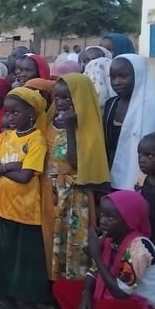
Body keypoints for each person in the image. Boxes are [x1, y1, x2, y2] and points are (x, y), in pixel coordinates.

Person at [0, 87, 51, 309]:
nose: (9, 117)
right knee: (6, 256)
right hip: (3, 207)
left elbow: (26, 177)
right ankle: (8, 299)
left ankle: (28, 308)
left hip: (27, 211)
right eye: (7, 113)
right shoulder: (3, 138)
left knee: (26, 262)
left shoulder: (36, 139)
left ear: (30, 113)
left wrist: (4, 169)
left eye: (15, 112)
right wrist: (10, 166)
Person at [45, 74, 111, 282]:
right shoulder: (53, 123)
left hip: (76, 197)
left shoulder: (86, 128)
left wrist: (71, 129)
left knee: (75, 248)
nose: (62, 103)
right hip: (55, 193)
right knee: (56, 245)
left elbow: (75, 162)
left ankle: (76, 298)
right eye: (58, 98)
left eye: (68, 98)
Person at [104, 54, 155, 190]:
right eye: (113, 77)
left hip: (138, 174)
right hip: (110, 169)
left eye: (123, 76)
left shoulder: (149, 108)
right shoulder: (111, 104)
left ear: (138, 76)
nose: (116, 82)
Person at [135, 132, 155, 244]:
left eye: (149, 156)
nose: (142, 160)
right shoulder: (142, 179)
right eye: (140, 154)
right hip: (146, 232)